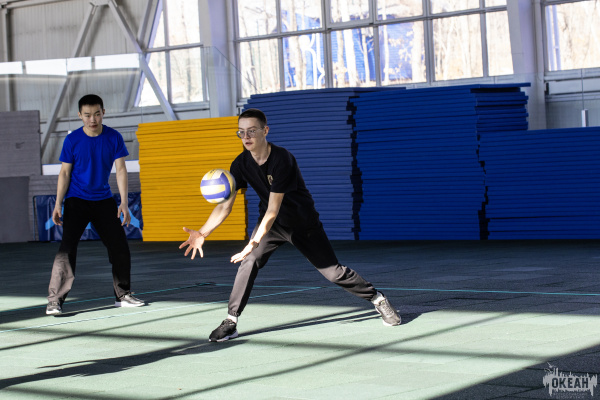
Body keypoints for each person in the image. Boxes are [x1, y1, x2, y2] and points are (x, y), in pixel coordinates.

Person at [179, 108, 401, 342]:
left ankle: (377, 299)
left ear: (265, 130)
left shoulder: (282, 160)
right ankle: (231, 321)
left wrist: (252, 243)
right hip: (272, 226)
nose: (246, 137)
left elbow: (273, 210)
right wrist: (203, 232)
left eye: (252, 131)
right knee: (249, 262)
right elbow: (225, 206)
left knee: (333, 273)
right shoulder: (240, 164)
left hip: (302, 223)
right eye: (241, 132)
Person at [45, 94, 144, 315]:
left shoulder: (114, 137)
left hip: (103, 200)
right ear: (80, 115)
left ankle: (123, 295)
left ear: (103, 113)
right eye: (87, 115)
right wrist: (58, 203)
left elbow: (121, 169)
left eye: (97, 114)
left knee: (119, 247)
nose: (93, 119)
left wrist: (124, 203)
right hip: (76, 200)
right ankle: (54, 301)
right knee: (66, 250)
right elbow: (64, 173)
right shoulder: (72, 140)